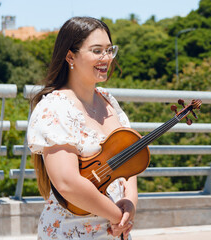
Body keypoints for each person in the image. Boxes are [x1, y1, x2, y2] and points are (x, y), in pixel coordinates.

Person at [27, 16, 137, 240]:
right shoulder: (54, 106)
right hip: (70, 230)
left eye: (109, 50)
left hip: (115, 229)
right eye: (97, 51)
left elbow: (129, 163)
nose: (106, 58)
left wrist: (129, 207)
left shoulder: (108, 101)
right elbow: (67, 183)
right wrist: (117, 215)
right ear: (70, 56)